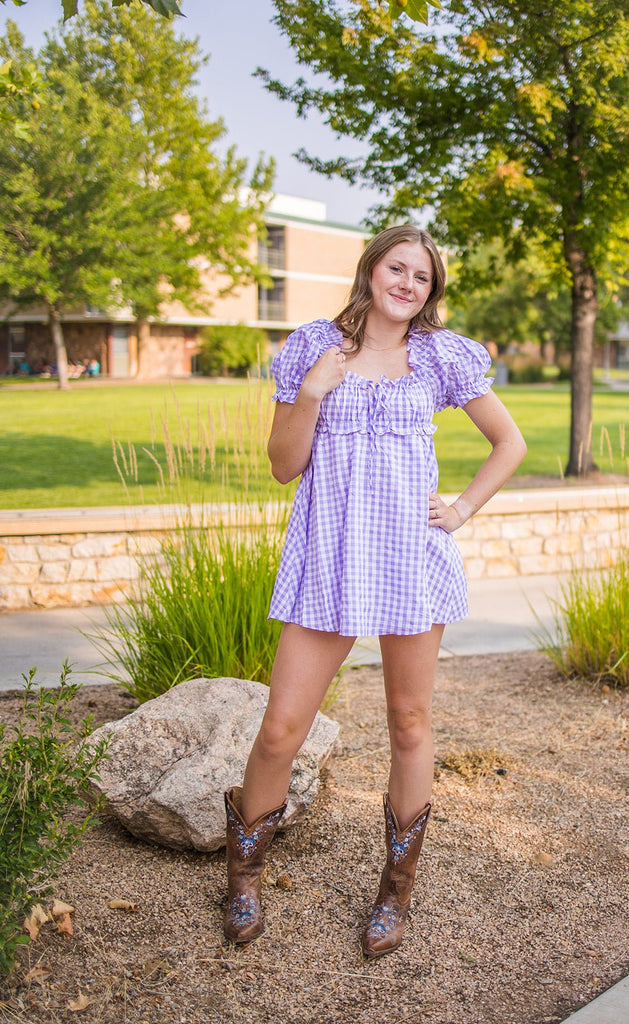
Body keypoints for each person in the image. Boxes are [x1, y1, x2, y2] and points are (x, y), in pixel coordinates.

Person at [222, 225, 527, 957]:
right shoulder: (311, 347)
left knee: (409, 723)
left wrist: (457, 511)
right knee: (279, 728)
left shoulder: (441, 356)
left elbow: (509, 443)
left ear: (431, 291)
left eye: (422, 278)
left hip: (407, 561)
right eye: (398, 268)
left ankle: (395, 891)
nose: (407, 285)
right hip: (328, 556)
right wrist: (313, 393)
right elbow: (282, 465)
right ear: (371, 268)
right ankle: (242, 877)